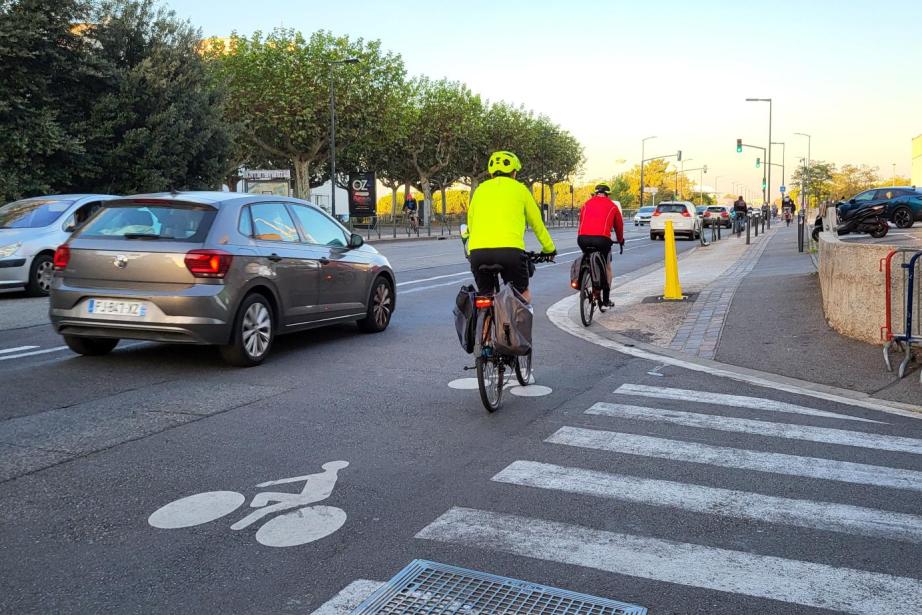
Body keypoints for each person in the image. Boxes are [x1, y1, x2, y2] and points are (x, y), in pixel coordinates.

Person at [464, 150, 556, 304]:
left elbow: (470, 223)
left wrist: (471, 249)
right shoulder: (520, 189)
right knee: (522, 293)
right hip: (510, 253)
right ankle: (512, 326)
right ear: (514, 172)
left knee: (485, 295)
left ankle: (482, 323)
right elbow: (537, 223)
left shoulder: (479, 190)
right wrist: (549, 248)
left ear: (492, 173)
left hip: (478, 253)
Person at [577, 183, 624, 307]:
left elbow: (581, 221)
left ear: (595, 193)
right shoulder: (613, 206)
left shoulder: (586, 204)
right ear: (608, 194)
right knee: (607, 266)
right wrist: (620, 240)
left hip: (582, 239)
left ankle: (586, 273)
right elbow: (619, 226)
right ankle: (606, 299)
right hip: (602, 239)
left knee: (587, 255)